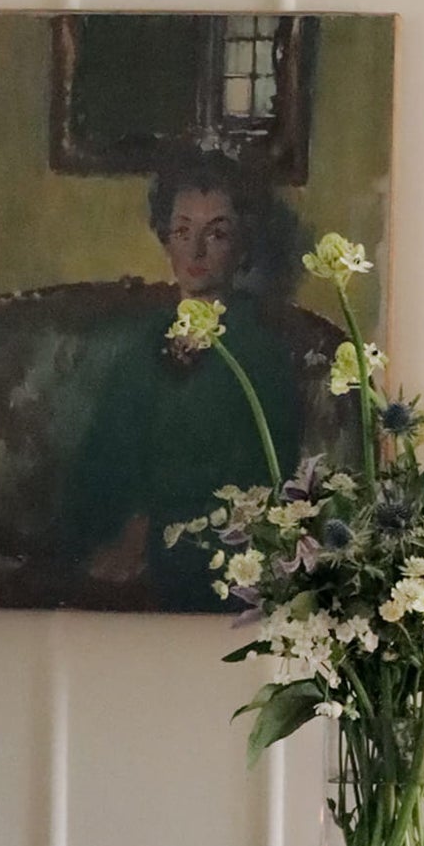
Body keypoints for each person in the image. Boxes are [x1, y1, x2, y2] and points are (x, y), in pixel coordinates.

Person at [61, 154, 305, 610]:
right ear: (165, 239)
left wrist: (148, 538)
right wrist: (110, 537)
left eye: (216, 232)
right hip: (119, 552)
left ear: (242, 245)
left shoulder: (263, 355)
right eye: (182, 231)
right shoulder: (141, 343)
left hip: (207, 561)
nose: (195, 252)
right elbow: (101, 459)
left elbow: (261, 485)